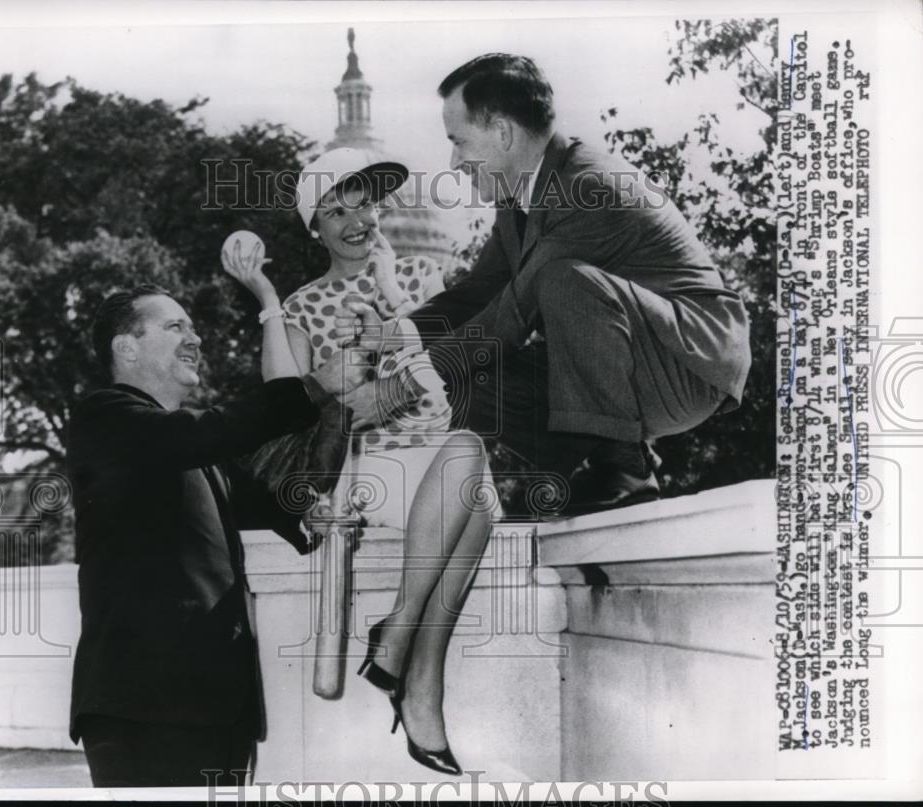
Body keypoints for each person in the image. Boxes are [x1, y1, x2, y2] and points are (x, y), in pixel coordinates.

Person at [340, 53, 752, 517]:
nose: (453, 162)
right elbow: (479, 292)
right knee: (466, 382)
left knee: (561, 282)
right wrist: (395, 335)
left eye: (459, 142)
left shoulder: (587, 186)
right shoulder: (518, 194)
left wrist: (396, 390)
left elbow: (508, 318)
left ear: (502, 132)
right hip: (626, 359)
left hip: (685, 362)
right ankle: (587, 467)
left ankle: (625, 468)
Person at [66, 272, 367, 787]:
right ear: (127, 348)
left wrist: (310, 513)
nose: (196, 338)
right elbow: (209, 433)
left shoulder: (200, 454)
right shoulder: (105, 418)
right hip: (145, 705)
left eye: (193, 327)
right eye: (174, 326)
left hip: (219, 707)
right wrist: (317, 385)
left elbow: (274, 498)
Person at [275, 147, 500, 775]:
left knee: (470, 469)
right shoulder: (300, 308)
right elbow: (295, 408)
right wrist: (361, 382)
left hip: (433, 453)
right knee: (473, 475)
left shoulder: (419, 284)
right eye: (334, 211)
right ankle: (412, 664)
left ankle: (405, 652)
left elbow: (447, 381)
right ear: (314, 227)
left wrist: (396, 298)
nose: (357, 221)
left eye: (365, 204)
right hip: (363, 468)